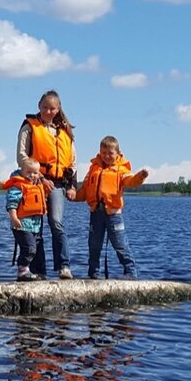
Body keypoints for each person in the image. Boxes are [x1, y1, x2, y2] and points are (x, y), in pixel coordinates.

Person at [16, 90, 77, 279]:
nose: (48, 111)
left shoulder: (65, 131)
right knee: (35, 227)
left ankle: (64, 266)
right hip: (34, 183)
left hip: (58, 184)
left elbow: (72, 162)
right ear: (39, 107)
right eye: (45, 108)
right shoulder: (29, 127)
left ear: (58, 109)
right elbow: (21, 156)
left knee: (57, 223)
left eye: (52, 108)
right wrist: (41, 177)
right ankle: (37, 270)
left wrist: (71, 186)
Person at [79, 135, 149, 279]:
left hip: (113, 215)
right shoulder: (94, 169)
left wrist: (140, 177)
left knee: (120, 245)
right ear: (99, 152)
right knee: (94, 246)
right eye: (104, 153)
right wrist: (73, 196)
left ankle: (130, 272)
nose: (107, 156)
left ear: (118, 153)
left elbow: (131, 181)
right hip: (96, 213)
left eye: (110, 153)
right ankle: (93, 274)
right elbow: (85, 190)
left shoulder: (121, 170)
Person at [2, 157, 51, 282]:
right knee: (29, 248)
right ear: (22, 172)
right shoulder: (18, 186)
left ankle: (32, 271)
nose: (32, 175)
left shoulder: (37, 185)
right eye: (28, 172)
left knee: (36, 248)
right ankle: (22, 270)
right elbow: (12, 203)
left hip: (35, 225)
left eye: (35, 173)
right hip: (22, 225)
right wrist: (13, 217)